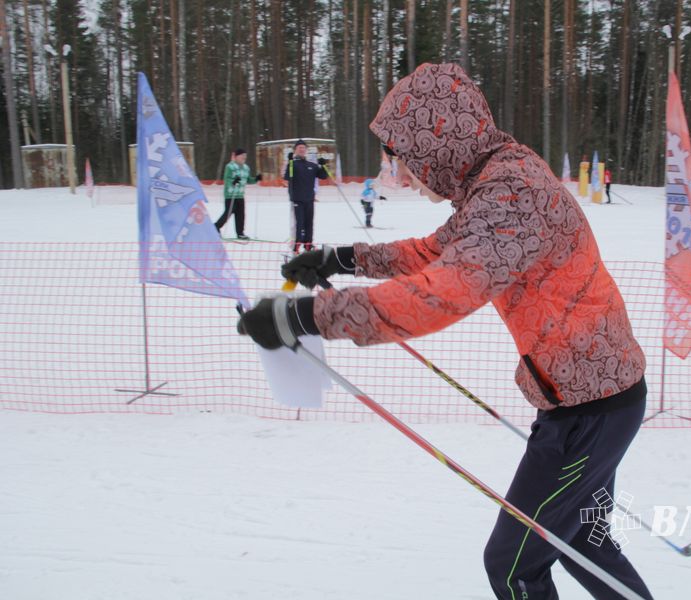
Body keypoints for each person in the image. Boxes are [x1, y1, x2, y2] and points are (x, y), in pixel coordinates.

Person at [238, 63, 653, 600]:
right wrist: (345, 258)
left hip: (589, 411)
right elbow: (435, 253)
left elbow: (444, 292)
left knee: (512, 565)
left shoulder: (510, 192)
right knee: (584, 545)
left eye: (405, 158)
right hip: (596, 398)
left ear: (437, 143)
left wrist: (308, 316)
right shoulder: (496, 178)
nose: (404, 174)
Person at [284, 139, 328, 252]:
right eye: (299, 148)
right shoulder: (293, 164)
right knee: (299, 223)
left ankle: (308, 244)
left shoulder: (311, 165)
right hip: (297, 199)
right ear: (295, 150)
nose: (302, 150)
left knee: (309, 223)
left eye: (304, 148)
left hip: (309, 199)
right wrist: (289, 162)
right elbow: (288, 177)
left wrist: (323, 165)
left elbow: (323, 176)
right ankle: (296, 245)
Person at [215, 148, 261, 239]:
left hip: (240, 195)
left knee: (241, 214)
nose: (244, 157)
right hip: (230, 195)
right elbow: (227, 179)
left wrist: (256, 179)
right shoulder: (230, 167)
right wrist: (233, 181)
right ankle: (216, 227)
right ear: (236, 157)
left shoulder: (246, 168)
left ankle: (240, 232)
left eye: (245, 156)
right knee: (228, 213)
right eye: (242, 156)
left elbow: (248, 179)